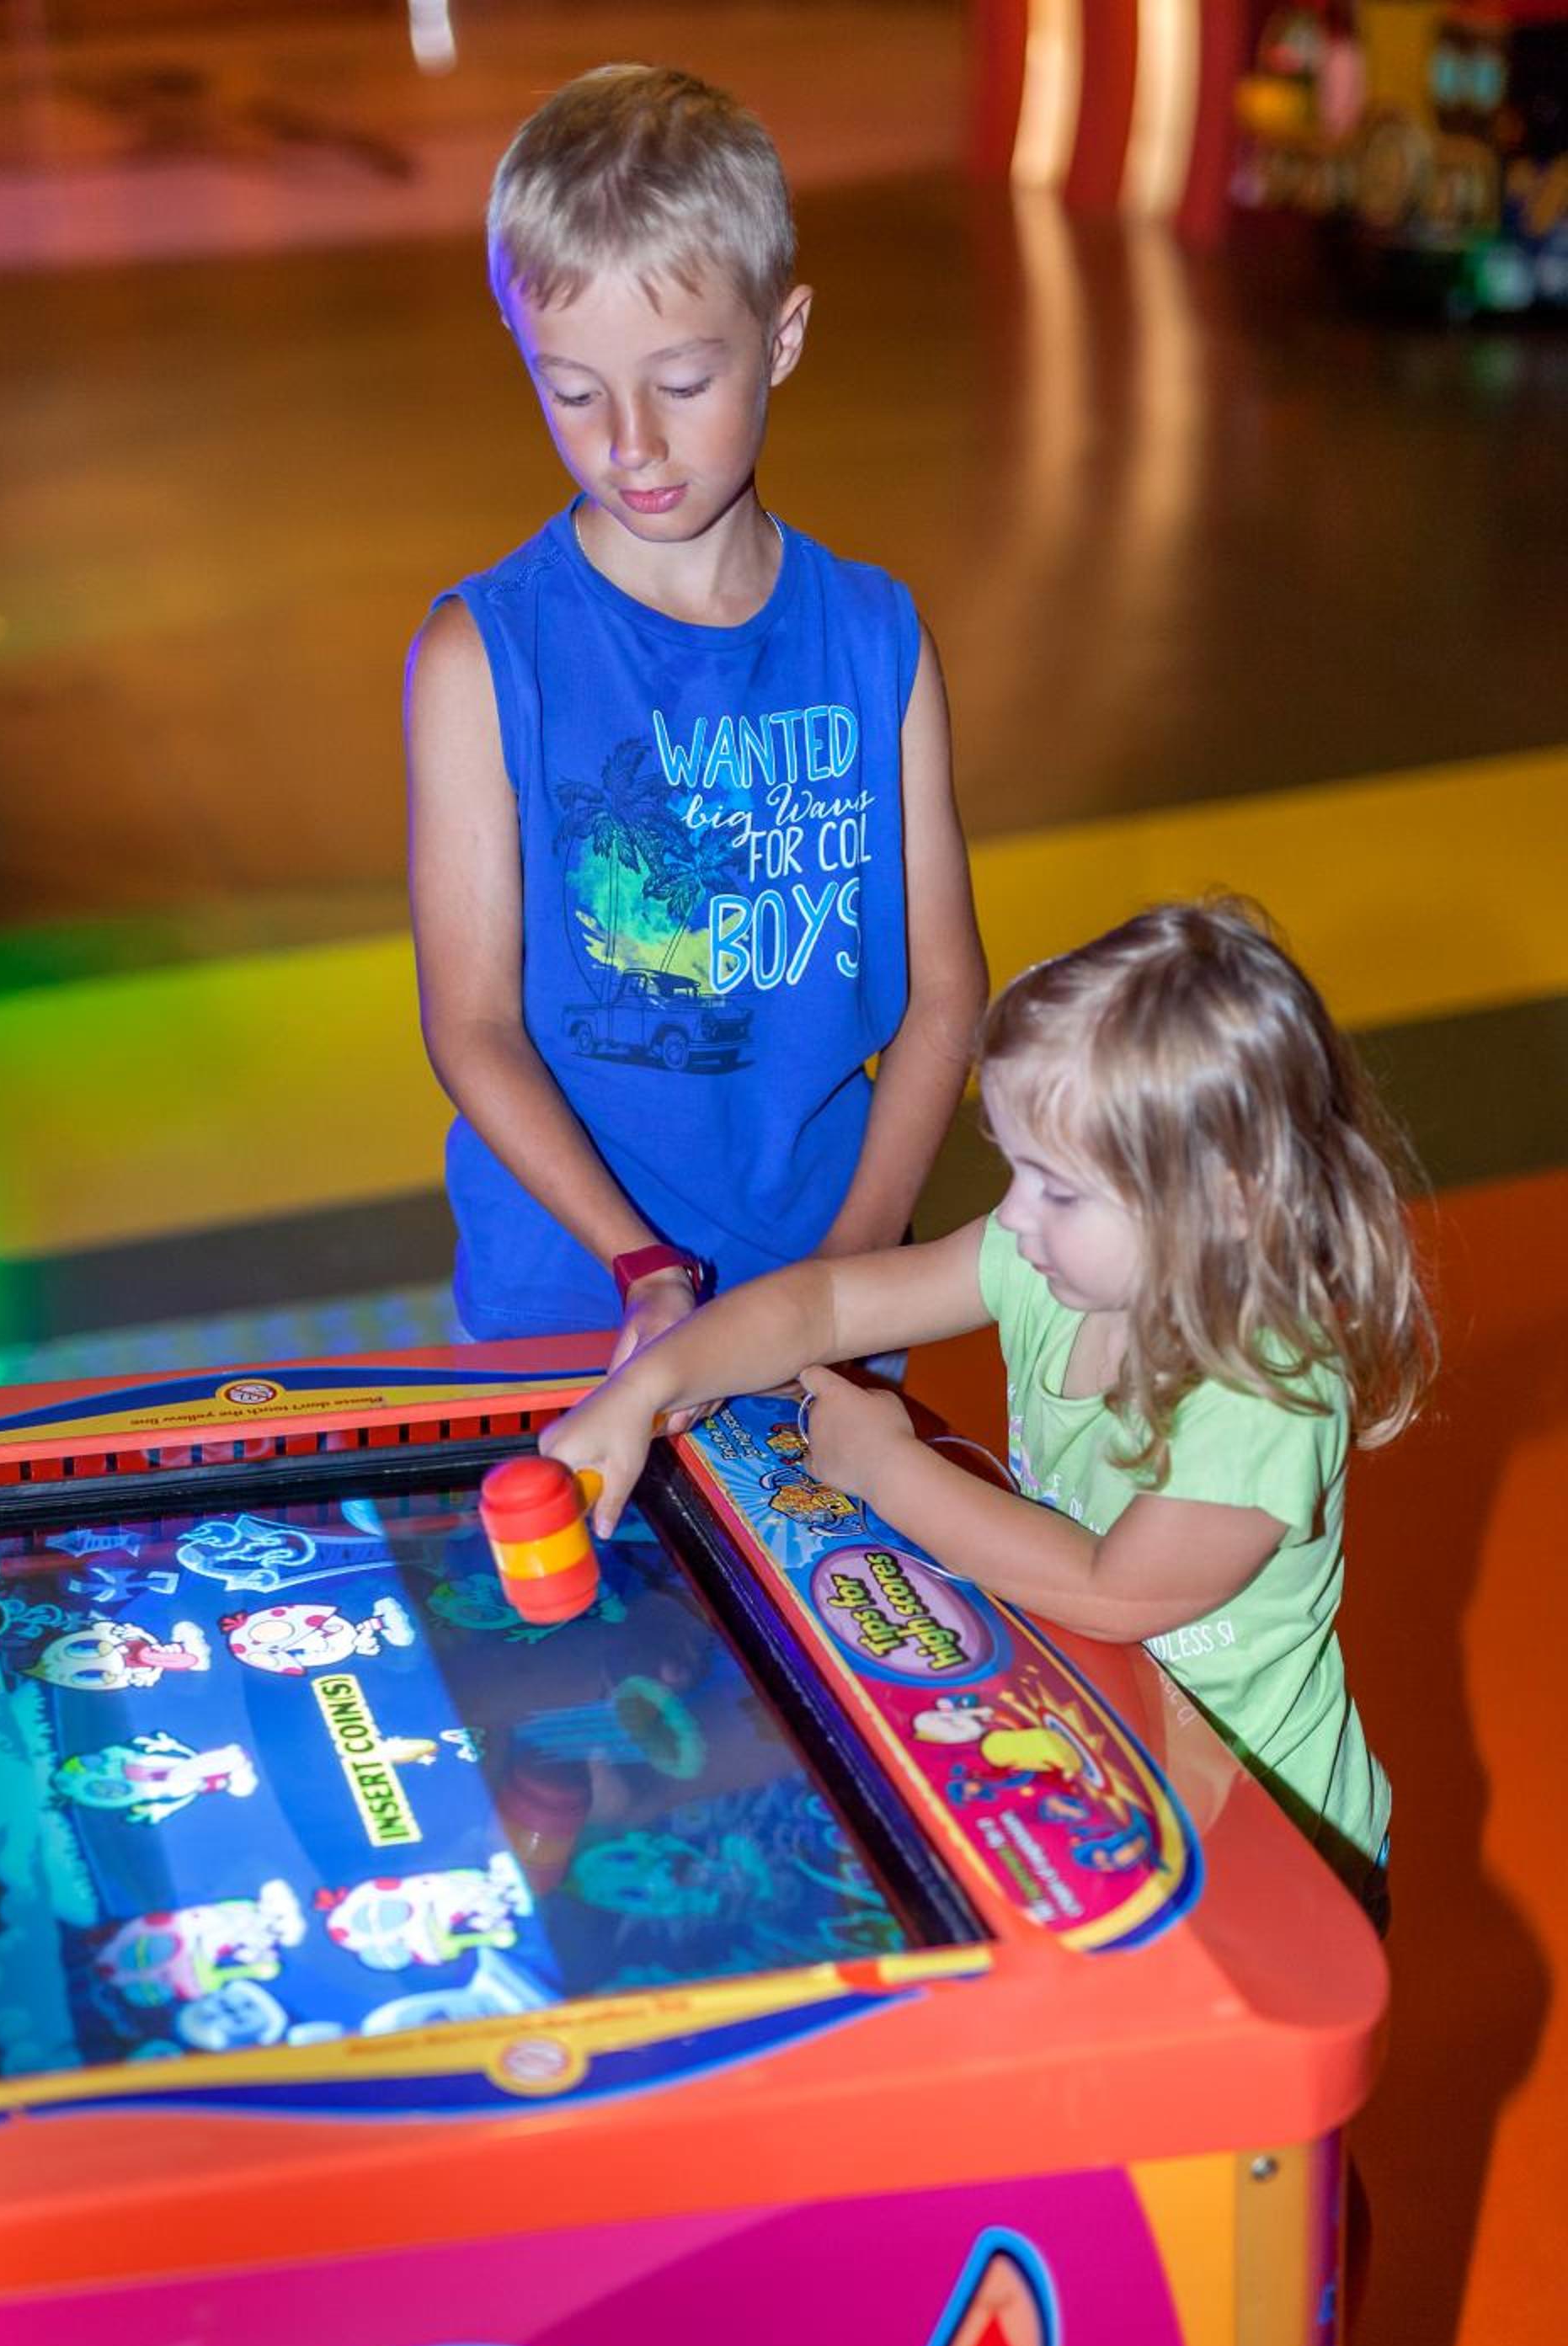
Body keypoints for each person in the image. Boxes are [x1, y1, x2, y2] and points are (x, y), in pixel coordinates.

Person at [544, 896, 1435, 1917]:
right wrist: (652, 1383)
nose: (1011, 1214)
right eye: (1015, 1169)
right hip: (1109, 1775)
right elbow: (828, 1303)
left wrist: (884, 1467)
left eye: (1058, 1189)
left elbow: (1114, 1590)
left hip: (1267, 1852)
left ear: (1222, 1202)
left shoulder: (1264, 1385)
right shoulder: (1043, 1257)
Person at [406, 64, 987, 1368]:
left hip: (830, 1292)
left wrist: (841, 1283)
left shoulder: (876, 639)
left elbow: (944, 993)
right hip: (572, 1305)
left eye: (679, 383)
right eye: (573, 392)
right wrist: (640, 1262)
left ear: (782, 338)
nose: (630, 444)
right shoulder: (478, 659)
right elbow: (472, 1026)